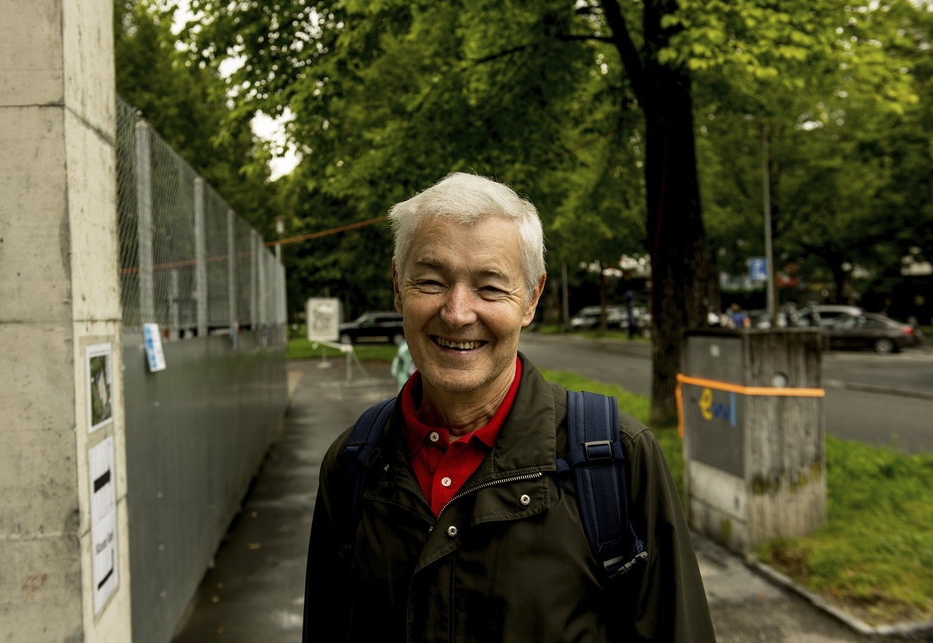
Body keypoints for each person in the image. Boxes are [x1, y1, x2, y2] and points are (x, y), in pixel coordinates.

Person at [303, 173, 715, 643]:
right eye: (432, 281)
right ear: (398, 286)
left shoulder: (616, 459)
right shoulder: (353, 464)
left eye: (490, 287)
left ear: (531, 298)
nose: (457, 313)